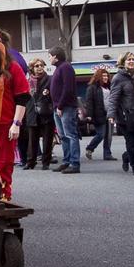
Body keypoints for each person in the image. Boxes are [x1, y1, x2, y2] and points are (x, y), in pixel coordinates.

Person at [0, 31, 30, 200]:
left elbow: (22, 96)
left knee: (3, 163)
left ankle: (3, 196)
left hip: (5, 123)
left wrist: (16, 123)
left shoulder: (13, 67)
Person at [106, 52, 134, 176]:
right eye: (129, 59)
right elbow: (113, 98)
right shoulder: (118, 78)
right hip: (125, 116)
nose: (131, 61)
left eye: (133, 59)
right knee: (130, 141)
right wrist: (111, 115)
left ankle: (126, 156)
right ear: (123, 62)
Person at [47, 46, 80, 174]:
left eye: (50, 56)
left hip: (65, 107)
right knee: (63, 136)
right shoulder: (59, 68)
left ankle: (74, 163)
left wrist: (60, 105)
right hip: (58, 107)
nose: (49, 58)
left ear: (55, 56)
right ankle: (66, 161)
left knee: (70, 135)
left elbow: (68, 89)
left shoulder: (65, 67)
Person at [22, 58, 55, 170]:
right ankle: (31, 162)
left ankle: (46, 162)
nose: (40, 67)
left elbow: (54, 96)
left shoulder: (49, 80)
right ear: (32, 68)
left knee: (47, 139)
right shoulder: (27, 81)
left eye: (41, 65)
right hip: (32, 113)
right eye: (37, 66)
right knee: (32, 140)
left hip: (46, 112)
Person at [82, 67, 114, 161]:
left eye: (107, 76)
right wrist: (89, 115)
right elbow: (89, 102)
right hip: (98, 115)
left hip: (110, 114)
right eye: (103, 76)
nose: (106, 78)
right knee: (101, 134)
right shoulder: (92, 88)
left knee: (109, 136)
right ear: (98, 77)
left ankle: (107, 154)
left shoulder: (110, 87)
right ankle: (90, 148)